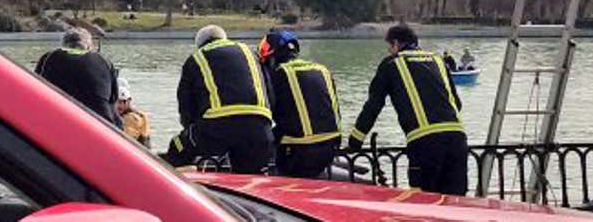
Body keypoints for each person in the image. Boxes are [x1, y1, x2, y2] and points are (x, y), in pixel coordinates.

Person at [347, 23, 468, 195]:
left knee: (423, 201)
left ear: (395, 44)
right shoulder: (438, 60)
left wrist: (356, 140)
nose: (389, 51)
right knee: (456, 201)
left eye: (389, 47)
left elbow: (373, 105)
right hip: (457, 139)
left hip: (424, 143)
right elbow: (457, 104)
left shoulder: (391, 64)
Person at [165, 25, 274, 173]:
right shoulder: (251, 54)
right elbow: (270, 92)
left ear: (200, 44)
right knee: (250, 172)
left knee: (177, 147)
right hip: (260, 128)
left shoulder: (196, 58)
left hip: (217, 127)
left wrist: (190, 131)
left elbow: (186, 105)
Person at [258, 29, 342, 178]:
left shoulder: (278, 75)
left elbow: (267, 111)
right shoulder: (322, 69)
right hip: (331, 145)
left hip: (299, 150)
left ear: (272, 58)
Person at [35, 27, 122, 127]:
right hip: (100, 128)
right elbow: (113, 100)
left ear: (63, 44)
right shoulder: (104, 61)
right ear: (89, 46)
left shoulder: (48, 58)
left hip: (55, 124)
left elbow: (35, 92)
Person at [116, 77, 152, 148]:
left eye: (122, 102)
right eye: (117, 102)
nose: (119, 105)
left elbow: (124, 141)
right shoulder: (137, 115)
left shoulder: (131, 118)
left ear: (128, 101)